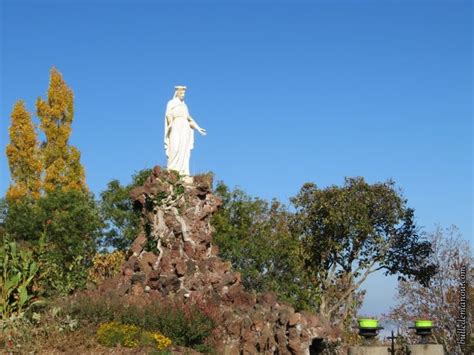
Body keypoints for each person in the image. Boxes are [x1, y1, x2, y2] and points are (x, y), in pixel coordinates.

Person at [164, 86, 206, 176]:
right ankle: (172, 169)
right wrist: (170, 122)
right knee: (175, 147)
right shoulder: (171, 103)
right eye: (181, 93)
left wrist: (198, 128)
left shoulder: (184, 106)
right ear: (177, 93)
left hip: (185, 127)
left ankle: (183, 171)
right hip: (175, 126)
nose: (183, 95)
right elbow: (168, 114)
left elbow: (189, 118)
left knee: (184, 149)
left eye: (184, 94)